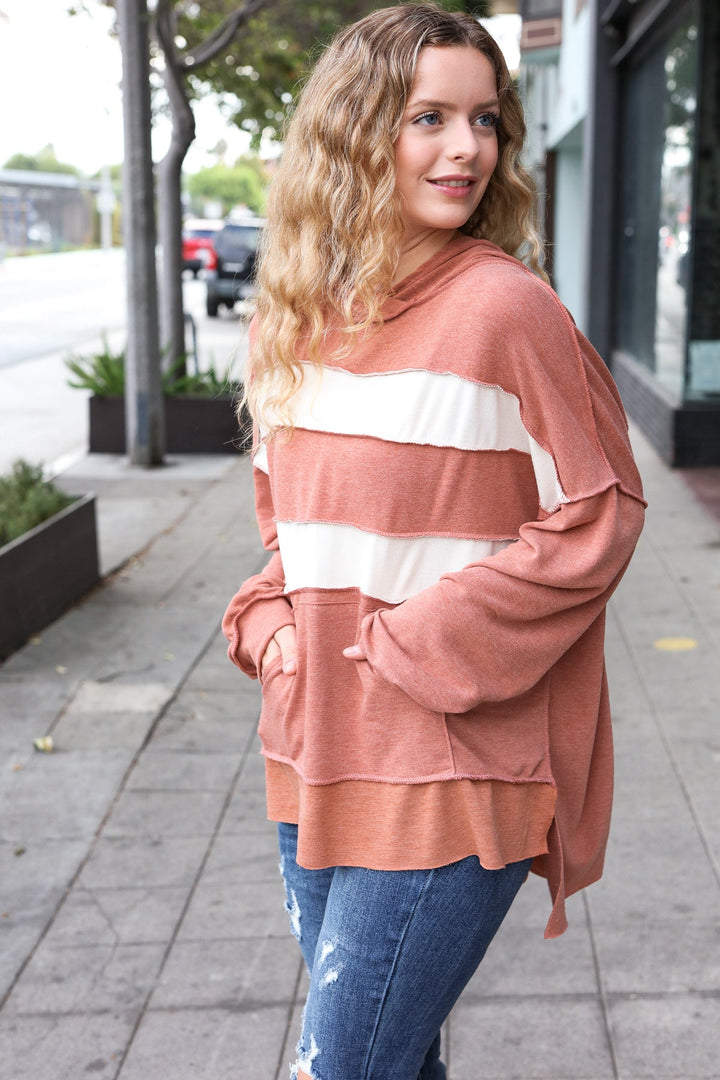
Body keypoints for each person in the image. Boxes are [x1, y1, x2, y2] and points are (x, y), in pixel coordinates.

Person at [222, 4, 646, 1078]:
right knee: (394, 1063)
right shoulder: (289, 320)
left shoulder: (507, 311)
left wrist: (420, 643)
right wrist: (269, 622)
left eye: (484, 119)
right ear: (354, 133)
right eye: (430, 118)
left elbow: (600, 513)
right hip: (314, 746)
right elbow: (298, 532)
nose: (467, 148)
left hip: (450, 761)